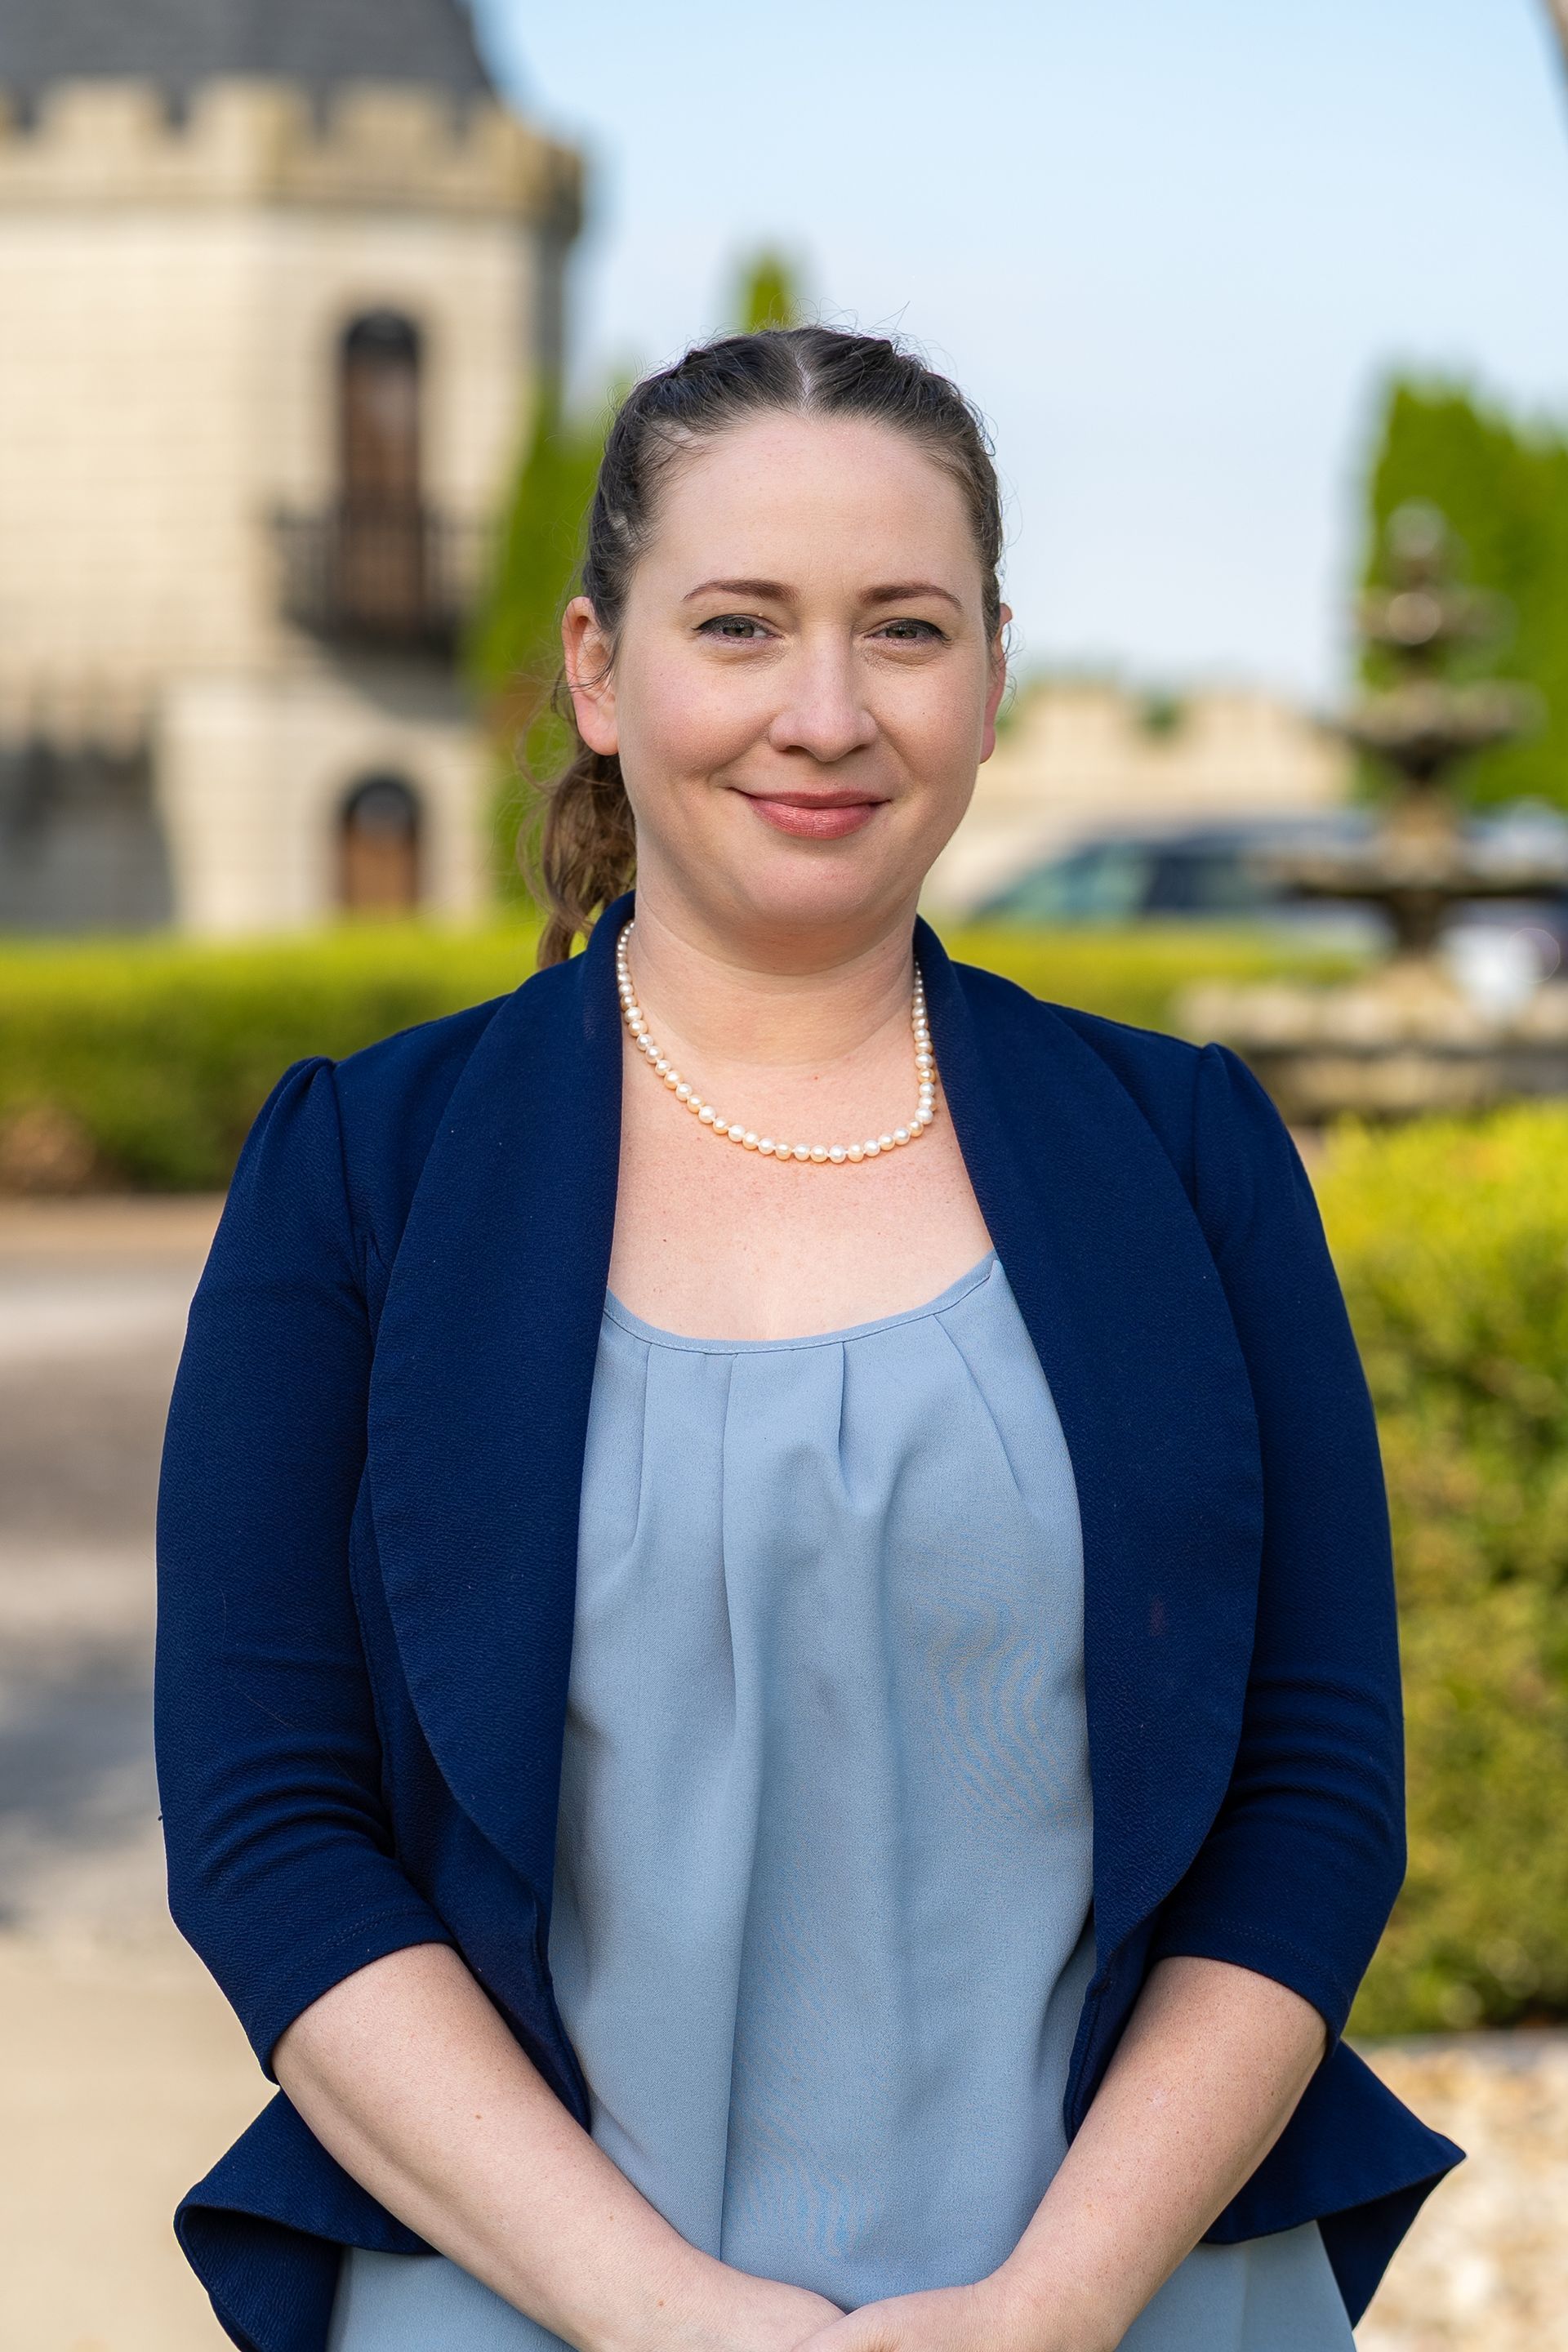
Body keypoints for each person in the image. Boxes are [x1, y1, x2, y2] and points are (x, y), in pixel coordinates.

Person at [155, 327, 1460, 2352]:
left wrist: (1057, 2305)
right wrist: (667, 2318)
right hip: (522, 2303)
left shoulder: (1187, 1156)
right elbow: (268, 1834)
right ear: (600, 672)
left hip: (1131, 2302)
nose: (827, 714)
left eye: (907, 630)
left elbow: (1314, 1792)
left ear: (997, 676)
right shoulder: (364, 1176)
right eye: (742, 625)